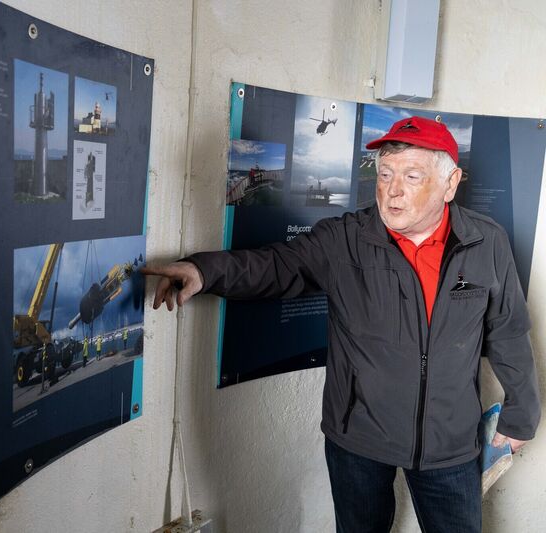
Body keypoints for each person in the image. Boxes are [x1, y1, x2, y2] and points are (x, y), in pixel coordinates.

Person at [142, 116, 540, 533]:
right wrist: (204, 272)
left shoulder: (485, 242)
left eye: (411, 175)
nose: (393, 190)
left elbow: (507, 329)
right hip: (359, 439)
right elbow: (277, 265)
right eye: (385, 174)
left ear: (450, 183)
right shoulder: (345, 239)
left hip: (449, 444)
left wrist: (521, 414)